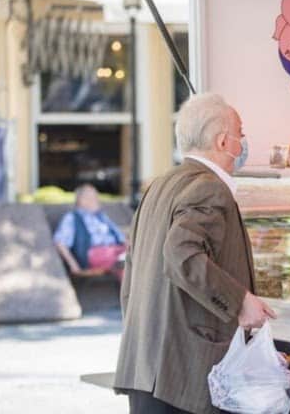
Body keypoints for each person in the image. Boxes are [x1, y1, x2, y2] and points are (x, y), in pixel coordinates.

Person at [114, 93, 276, 414]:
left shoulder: (159, 185)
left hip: (146, 366)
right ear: (222, 141)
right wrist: (240, 300)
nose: (242, 142)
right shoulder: (210, 187)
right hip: (183, 376)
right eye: (240, 133)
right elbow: (181, 254)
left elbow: (131, 277)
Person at [53, 183, 126, 279]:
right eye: (92, 197)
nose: (96, 200)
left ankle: (126, 261)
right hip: (95, 254)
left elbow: (121, 238)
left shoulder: (101, 216)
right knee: (126, 262)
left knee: (132, 258)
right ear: (81, 200)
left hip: (116, 250)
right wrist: (74, 266)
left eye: (96, 196)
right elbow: (60, 243)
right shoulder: (72, 217)